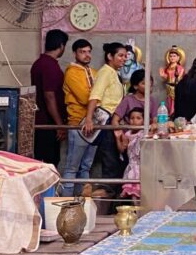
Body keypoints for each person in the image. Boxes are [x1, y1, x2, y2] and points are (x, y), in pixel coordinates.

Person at [85, 42, 128, 182]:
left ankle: (112, 198)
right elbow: (95, 96)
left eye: (125, 56)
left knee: (116, 160)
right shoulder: (105, 72)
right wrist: (89, 119)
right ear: (110, 56)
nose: (124, 59)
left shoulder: (114, 73)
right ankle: (107, 197)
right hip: (106, 121)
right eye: (120, 55)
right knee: (110, 160)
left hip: (115, 120)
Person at [61, 38, 97, 195]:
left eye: (89, 52)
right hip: (78, 123)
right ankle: (66, 205)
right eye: (82, 52)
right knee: (72, 167)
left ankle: (81, 204)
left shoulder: (93, 71)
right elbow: (85, 97)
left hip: (94, 123)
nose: (86, 55)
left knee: (86, 166)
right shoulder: (72, 72)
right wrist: (99, 96)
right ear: (75, 53)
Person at [30, 29, 68, 167]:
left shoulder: (39, 63)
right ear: (62, 46)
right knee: (49, 162)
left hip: (42, 121)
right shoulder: (49, 66)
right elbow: (49, 96)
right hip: (48, 123)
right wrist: (59, 124)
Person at [118, 106, 146, 201]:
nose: (134, 121)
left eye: (138, 118)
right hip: (131, 167)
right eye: (132, 118)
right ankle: (135, 211)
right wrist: (118, 138)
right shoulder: (127, 135)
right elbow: (122, 149)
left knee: (141, 191)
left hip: (142, 167)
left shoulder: (144, 133)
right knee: (133, 192)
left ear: (144, 121)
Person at [160, 46, 185, 116]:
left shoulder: (180, 68)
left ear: (178, 58)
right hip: (168, 87)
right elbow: (167, 77)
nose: (172, 58)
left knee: (175, 102)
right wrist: (164, 76)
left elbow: (179, 78)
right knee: (169, 101)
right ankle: (170, 114)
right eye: (170, 56)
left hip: (176, 87)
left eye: (174, 56)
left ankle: (174, 114)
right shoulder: (168, 68)